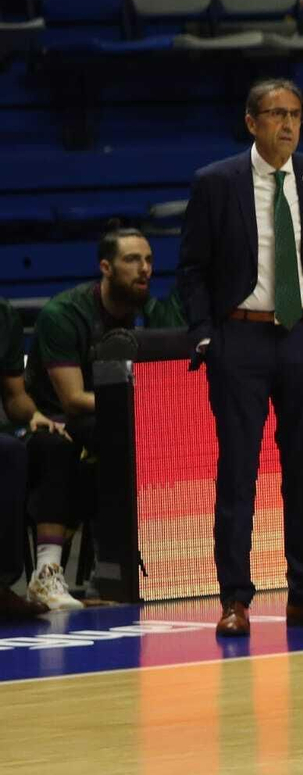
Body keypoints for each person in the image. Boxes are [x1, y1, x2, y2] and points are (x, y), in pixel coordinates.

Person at [177, 79, 303, 639]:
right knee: (238, 473)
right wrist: (206, 335)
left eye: (297, 115)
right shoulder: (217, 182)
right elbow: (192, 269)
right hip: (241, 339)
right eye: (277, 114)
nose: (288, 124)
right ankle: (234, 598)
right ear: (251, 121)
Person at [21, 227, 179, 609]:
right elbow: (73, 400)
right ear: (105, 267)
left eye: (149, 260)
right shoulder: (65, 314)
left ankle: (126, 568)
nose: (144, 269)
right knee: (92, 445)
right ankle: (50, 574)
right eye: (131, 260)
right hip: (54, 422)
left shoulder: (154, 313)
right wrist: (133, 401)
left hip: (116, 421)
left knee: (159, 441)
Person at [1, 296, 50, 619]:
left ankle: (1, 585)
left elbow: (14, 395)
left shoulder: (3, 315)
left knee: (11, 452)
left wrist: (33, 414)